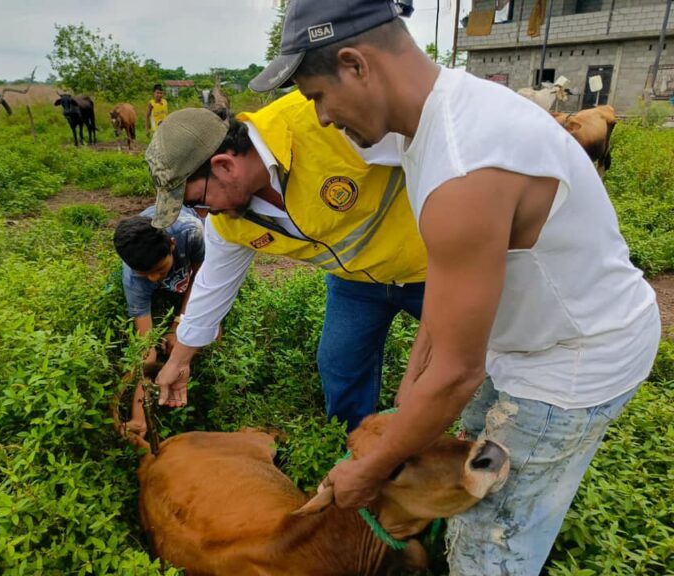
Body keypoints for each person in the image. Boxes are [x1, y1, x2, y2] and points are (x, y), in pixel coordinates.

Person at [249, 1, 661, 574]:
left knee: (493, 542)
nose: (319, 118)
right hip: (526, 339)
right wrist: (409, 403)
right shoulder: (437, 122)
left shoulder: (465, 166)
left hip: (572, 360)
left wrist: (372, 466)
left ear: (355, 63)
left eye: (317, 96)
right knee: (463, 469)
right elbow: (440, 309)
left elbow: (458, 372)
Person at [145, 90, 428, 432]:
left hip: (434, 270)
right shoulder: (229, 222)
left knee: (473, 361)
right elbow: (212, 288)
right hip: (356, 281)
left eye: (197, 202)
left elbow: (442, 150)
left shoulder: (325, 118)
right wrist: (179, 361)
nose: (205, 214)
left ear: (224, 166)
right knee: (339, 363)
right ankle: (353, 449)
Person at [113, 205, 204, 435]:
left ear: (172, 245)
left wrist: (179, 325)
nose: (153, 278)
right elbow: (147, 352)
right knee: (150, 353)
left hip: (194, 257)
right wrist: (139, 418)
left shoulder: (190, 233)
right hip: (146, 271)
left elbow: (202, 280)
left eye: (160, 270)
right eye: (146, 274)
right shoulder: (134, 278)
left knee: (209, 333)